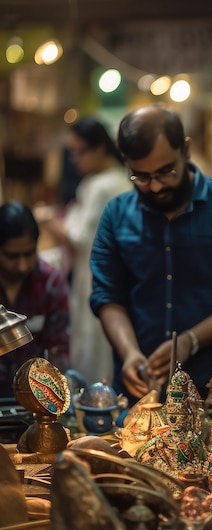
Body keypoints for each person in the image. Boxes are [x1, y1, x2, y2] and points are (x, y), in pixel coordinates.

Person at [89, 105, 212, 402]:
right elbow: (108, 297)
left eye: (165, 172)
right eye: (141, 177)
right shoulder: (115, 214)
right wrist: (130, 352)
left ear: (185, 149)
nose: (156, 186)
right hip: (141, 389)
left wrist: (191, 340)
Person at [47, 118, 131, 385]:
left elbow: (79, 239)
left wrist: (49, 221)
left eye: (79, 151)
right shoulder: (120, 179)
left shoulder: (101, 186)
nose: (74, 159)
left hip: (93, 275)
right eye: (70, 152)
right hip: (113, 276)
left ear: (99, 148)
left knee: (92, 343)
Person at [0, 201, 69, 397]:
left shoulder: (50, 283)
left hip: (36, 397)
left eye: (29, 254)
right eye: (12, 256)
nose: (22, 266)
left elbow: (58, 346)